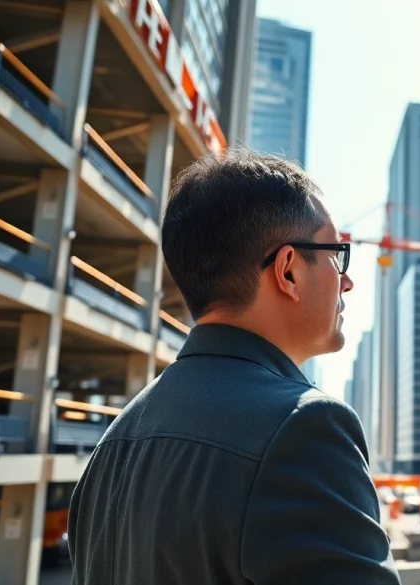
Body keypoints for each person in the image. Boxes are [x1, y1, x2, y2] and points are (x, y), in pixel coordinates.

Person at [67, 150, 400, 584]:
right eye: (337, 255)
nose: (347, 280)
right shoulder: (303, 429)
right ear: (288, 271)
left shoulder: (114, 443)